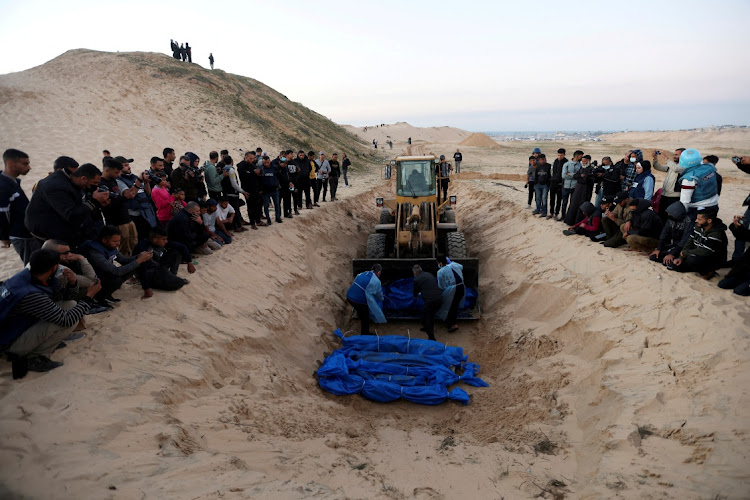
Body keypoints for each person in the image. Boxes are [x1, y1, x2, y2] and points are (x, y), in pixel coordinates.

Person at [0, 249, 102, 378]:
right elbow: (67, 320)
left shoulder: (29, 276)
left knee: (70, 305)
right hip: (9, 344)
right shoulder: (32, 294)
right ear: (54, 267)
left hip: (14, 327)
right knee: (70, 319)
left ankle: (42, 343)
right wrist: (89, 296)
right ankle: (35, 357)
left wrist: (72, 283)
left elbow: (61, 298)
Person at [25, 162, 110, 248]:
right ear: (84, 179)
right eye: (94, 184)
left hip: (63, 231)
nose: (96, 187)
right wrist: (94, 201)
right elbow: (72, 216)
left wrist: (99, 202)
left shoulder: (72, 180)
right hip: (46, 234)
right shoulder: (56, 187)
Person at [79, 225, 153, 304]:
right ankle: (99, 297)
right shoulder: (95, 252)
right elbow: (116, 271)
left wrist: (139, 257)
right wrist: (139, 260)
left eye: (119, 241)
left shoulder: (110, 246)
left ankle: (147, 289)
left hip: (106, 275)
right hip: (95, 280)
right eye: (115, 241)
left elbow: (124, 260)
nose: (118, 244)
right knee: (116, 279)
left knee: (139, 263)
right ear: (104, 240)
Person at [1, 149, 41, 264]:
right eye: (25, 164)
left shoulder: (13, 182)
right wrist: (4, 236)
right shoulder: (3, 186)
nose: (29, 167)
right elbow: (2, 214)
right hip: (21, 236)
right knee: (33, 266)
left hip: (29, 233)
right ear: (10, 163)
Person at [667, 208, 727, 278]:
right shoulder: (698, 226)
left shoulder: (717, 233)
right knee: (668, 261)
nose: (696, 220)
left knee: (692, 260)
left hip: (710, 259)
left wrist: (686, 253)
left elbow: (705, 251)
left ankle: (708, 271)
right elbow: (690, 241)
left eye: (699, 219)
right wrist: (681, 257)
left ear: (709, 221)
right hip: (695, 253)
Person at [133, 227, 191, 299]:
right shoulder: (143, 248)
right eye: (164, 239)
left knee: (176, 252)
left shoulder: (160, 243)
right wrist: (146, 288)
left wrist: (189, 262)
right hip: (149, 271)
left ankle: (173, 276)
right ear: (155, 240)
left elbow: (182, 247)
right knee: (177, 284)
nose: (166, 241)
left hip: (159, 267)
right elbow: (141, 269)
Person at [99, 158, 138, 256]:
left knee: (134, 245)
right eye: (116, 172)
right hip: (117, 222)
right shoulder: (101, 184)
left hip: (127, 218)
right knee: (123, 249)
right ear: (107, 170)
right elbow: (109, 204)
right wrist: (124, 197)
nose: (119, 175)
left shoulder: (113, 180)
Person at [117, 157, 158, 245]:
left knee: (149, 235)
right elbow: (130, 195)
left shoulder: (134, 177)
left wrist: (146, 182)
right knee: (139, 239)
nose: (129, 167)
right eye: (125, 165)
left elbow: (148, 192)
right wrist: (139, 180)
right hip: (134, 214)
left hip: (146, 212)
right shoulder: (119, 181)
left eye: (128, 165)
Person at [346, 264, 386, 335]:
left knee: (359, 310)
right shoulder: (376, 281)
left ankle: (359, 314)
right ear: (379, 272)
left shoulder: (362, 274)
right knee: (365, 317)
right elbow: (379, 295)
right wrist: (382, 298)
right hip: (359, 301)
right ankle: (365, 333)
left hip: (349, 296)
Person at [678, 148, 719, 216]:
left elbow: (685, 202)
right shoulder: (709, 167)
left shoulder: (688, 179)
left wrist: (682, 215)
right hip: (714, 204)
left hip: (698, 210)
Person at [719, 214, 750, 296]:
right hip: (746, 266)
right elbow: (743, 236)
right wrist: (736, 226)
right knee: (723, 284)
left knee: (740, 291)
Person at [653, 148, 686, 222]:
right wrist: (655, 159)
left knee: (671, 218)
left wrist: (666, 158)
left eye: (677, 155)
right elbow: (658, 167)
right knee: (661, 215)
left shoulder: (684, 166)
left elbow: (676, 169)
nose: (674, 156)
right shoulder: (673, 165)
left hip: (674, 197)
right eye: (674, 155)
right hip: (665, 195)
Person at [412, 264, 442, 341]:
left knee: (428, 317)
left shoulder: (416, 279)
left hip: (430, 301)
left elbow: (415, 292)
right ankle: (425, 327)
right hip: (439, 297)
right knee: (428, 314)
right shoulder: (428, 274)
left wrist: (414, 297)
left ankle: (431, 337)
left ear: (415, 272)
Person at [435, 256, 464, 333]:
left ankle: (452, 324)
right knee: (455, 305)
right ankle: (453, 322)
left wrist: (444, 292)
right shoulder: (454, 265)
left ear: (440, 263)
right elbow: (461, 267)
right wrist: (451, 262)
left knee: (450, 306)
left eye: (438, 263)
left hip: (453, 290)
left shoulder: (440, 272)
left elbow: (441, 286)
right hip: (462, 286)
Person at [219, 155, 248, 230]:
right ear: (232, 161)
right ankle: (237, 226)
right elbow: (234, 184)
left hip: (227, 192)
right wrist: (242, 191)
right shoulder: (231, 170)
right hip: (232, 194)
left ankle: (235, 226)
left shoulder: (223, 170)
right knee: (235, 210)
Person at [237, 151, 264, 228]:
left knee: (258, 205)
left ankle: (258, 221)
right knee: (251, 207)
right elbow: (243, 176)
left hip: (256, 189)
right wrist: (253, 172)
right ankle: (252, 223)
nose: (253, 160)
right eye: (251, 158)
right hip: (248, 190)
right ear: (246, 158)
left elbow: (258, 175)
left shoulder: (253, 165)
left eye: (254, 158)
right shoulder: (241, 165)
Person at [564, 153, 593, 226]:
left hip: (586, 190)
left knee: (583, 206)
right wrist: (580, 176)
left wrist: (582, 177)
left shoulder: (591, 169)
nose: (583, 163)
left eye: (585, 161)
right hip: (578, 188)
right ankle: (570, 221)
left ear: (589, 161)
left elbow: (587, 179)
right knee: (574, 204)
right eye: (582, 161)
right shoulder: (582, 168)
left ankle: (579, 222)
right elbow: (575, 176)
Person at [560, 150, 583, 222]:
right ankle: (563, 216)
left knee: (573, 203)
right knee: (564, 202)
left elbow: (580, 176)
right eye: (581, 156)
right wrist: (575, 175)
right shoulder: (566, 164)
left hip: (575, 187)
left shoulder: (580, 165)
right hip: (566, 186)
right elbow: (563, 175)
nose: (582, 158)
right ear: (577, 156)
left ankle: (570, 217)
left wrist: (570, 174)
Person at [259, 155, 282, 224]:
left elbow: (279, 177)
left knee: (277, 205)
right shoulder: (261, 169)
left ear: (269, 161)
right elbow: (259, 180)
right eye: (265, 163)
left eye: (267, 162)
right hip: (265, 191)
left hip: (275, 189)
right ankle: (268, 219)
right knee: (266, 206)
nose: (266, 164)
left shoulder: (275, 168)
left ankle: (277, 217)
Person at [548, 148, 567, 220]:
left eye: (561, 155)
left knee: (559, 200)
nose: (559, 157)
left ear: (564, 155)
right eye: (558, 155)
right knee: (552, 199)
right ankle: (551, 213)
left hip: (560, 184)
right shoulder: (555, 161)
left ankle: (556, 213)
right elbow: (552, 171)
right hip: (553, 183)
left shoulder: (566, 162)